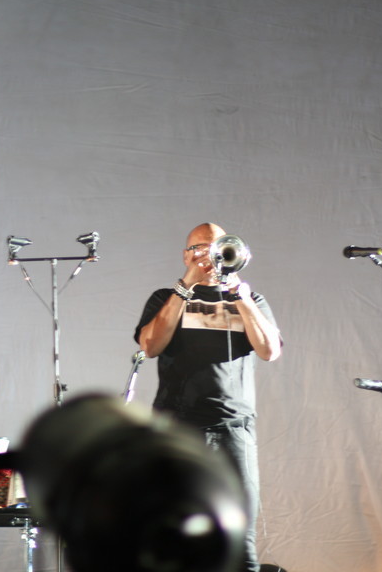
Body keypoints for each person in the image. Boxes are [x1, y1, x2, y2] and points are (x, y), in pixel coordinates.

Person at [134, 222, 282, 572]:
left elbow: (270, 351)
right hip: (176, 428)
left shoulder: (251, 300)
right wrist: (186, 285)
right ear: (185, 255)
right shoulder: (164, 298)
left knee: (240, 540)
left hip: (234, 429)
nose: (209, 255)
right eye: (198, 248)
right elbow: (150, 345)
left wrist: (241, 296)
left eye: (216, 247)